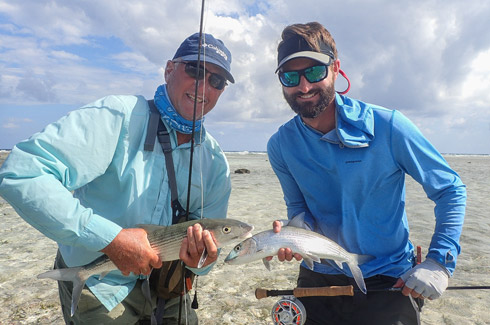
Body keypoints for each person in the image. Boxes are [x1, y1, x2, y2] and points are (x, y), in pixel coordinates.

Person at [0, 32, 234, 324]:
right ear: (169, 69)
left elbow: (202, 263)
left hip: (168, 287)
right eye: (196, 70)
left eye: (217, 81)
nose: (203, 86)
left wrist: (203, 262)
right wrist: (111, 239)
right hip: (100, 284)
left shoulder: (215, 162)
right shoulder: (119, 116)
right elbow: (22, 172)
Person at [266, 22, 466, 325]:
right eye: (291, 76)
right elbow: (299, 209)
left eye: (315, 72)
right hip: (317, 278)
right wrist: (294, 235)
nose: (304, 87)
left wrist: (439, 261)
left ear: (335, 68)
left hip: (389, 279)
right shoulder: (280, 145)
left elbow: (450, 190)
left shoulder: (389, 126)